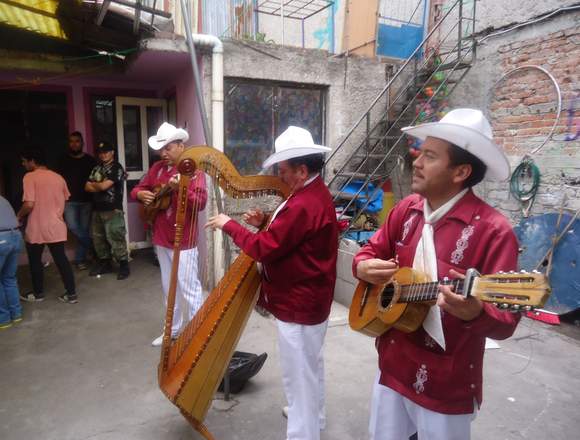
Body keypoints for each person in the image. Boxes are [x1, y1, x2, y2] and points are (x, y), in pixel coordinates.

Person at [352, 109, 521, 440]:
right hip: (392, 363)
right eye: (420, 151)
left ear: (461, 171)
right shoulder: (407, 210)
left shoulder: (494, 231)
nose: (416, 161)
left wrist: (476, 311)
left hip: (446, 381)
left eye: (429, 156)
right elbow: (370, 251)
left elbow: (505, 320)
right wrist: (361, 265)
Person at [206, 126, 339, 440]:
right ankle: (313, 417)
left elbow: (264, 249)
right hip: (310, 299)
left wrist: (230, 226)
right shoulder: (311, 193)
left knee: (299, 375)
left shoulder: (304, 203)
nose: (279, 176)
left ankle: (303, 432)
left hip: (299, 303)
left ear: (301, 170)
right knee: (310, 367)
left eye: (283, 171)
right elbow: (294, 239)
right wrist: (265, 223)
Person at [131, 122, 207, 347]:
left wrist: (181, 189)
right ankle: (172, 330)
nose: (163, 153)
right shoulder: (157, 169)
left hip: (183, 240)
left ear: (181, 146)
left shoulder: (194, 171)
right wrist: (141, 194)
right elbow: (138, 188)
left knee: (190, 288)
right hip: (161, 236)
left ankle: (198, 333)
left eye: (168, 148)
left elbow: (201, 203)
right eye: (161, 149)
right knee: (168, 287)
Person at [17, 149, 77, 304]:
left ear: (33, 161)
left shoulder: (29, 177)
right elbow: (65, 199)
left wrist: (18, 216)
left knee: (35, 260)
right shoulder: (58, 177)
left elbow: (29, 204)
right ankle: (71, 295)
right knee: (61, 259)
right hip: (56, 225)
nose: (23, 164)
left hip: (37, 226)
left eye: (24, 161)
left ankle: (38, 294)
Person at [85, 142, 130, 280]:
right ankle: (106, 264)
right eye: (101, 152)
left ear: (112, 153)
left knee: (116, 238)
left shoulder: (117, 167)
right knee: (99, 239)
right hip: (97, 209)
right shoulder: (96, 168)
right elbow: (86, 187)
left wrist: (96, 185)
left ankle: (124, 266)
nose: (103, 154)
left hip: (113, 209)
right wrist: (98, 186)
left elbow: (105, 186)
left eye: (106, 151)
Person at [57, 131, 96, 270]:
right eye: (71, 141)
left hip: (87, 201)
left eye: (77, 141)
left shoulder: (90, 160)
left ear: (82, 143)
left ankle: (80, 260)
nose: (74, 144)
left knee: (83, 229)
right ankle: (93, 246)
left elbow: (100, 175)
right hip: (69, 201)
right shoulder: (62, 160)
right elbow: (57, 181)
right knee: (73, 227)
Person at [0, 195, 23, 329]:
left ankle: (3, 319)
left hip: (1, 238)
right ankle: (16, 314)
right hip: (15, 236)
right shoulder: (3, 199)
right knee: (9, 278)